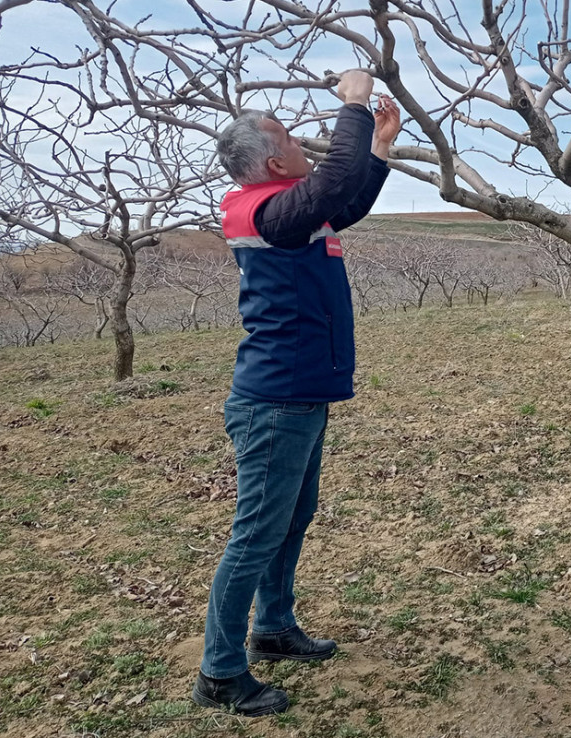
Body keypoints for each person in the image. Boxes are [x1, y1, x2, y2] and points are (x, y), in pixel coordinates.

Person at [192, 70, 401, 717]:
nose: (301, 138)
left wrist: (381, 147)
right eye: (286, 133)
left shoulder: (287, 208)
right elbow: (335, 183)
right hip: (276, 403)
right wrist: (355, 102)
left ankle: (273, 627)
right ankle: (221, 672)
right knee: (256, 533)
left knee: (292, 517)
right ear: (273, 157)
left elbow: (347, 199)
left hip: (297, 396)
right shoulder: (270, 211)